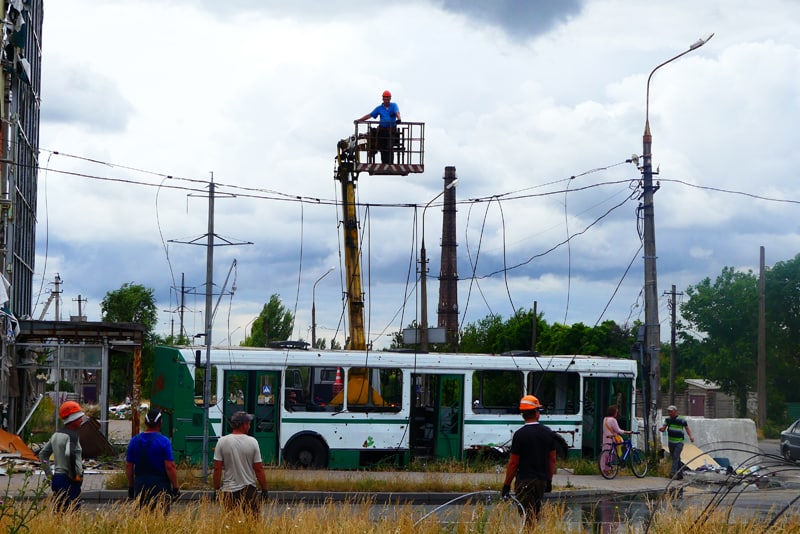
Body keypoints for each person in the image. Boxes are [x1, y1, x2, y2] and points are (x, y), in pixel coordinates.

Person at [501, 395, 557, 526]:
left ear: (523, 415)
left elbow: (513, 463)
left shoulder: (519, 435)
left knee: (527, 518)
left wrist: (506, 485)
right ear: (537, 413)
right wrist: (548, 481)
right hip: (541, 481)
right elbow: (552, 459)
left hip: (524, 481)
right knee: (535, 516)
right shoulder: (548, 433)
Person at [213, 411, 269, 513]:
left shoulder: (222, 441)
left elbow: (217, 468)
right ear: (243, 425)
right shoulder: (252, 442)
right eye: (248, 423)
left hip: (229, 490)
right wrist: (264, 490)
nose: (249, 426)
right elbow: (258, 469)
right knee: (252, 523)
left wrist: (216, 489)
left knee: (230, 523)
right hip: (249, 490)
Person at [125, 408, 180, 512]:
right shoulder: (164, 441)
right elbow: (170, 466)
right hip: (160, 485)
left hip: (140, 484)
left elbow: (129, 466)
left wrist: (131, 486)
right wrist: (176, 487)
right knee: (160, 518)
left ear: (145, 423)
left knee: (141, 518)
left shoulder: (134, 441)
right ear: (160, 423)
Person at [39, 400, 85, 511]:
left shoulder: (56, 435)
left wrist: (50, 475)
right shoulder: (72, 436)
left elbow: (42, 454)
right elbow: (70, 454)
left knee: (59, 512)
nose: (81, 420)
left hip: (57, 478)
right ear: (72, 420)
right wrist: (75, 476)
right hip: (69, 480)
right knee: (72, 514)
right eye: (79, 418)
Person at [357, 90, 401, 164]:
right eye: (385, 98)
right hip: (382, 130)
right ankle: (384, 163)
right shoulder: (379, 108)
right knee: (382, 146)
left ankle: (390, 163)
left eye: (388, 98)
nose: (386, 100)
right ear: (383, 99)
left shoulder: (394, 105)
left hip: (391, 130)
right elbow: (370, 115)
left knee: (389, 146)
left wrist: (399, 119)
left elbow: (397, 113)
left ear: (390, 98)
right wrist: (359, 120)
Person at [659, 405, 694, 480]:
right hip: (671, 442)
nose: (669, 413)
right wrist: (661, 429)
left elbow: (687, 428)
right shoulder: (667, 420)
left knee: (675, 456)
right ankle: (680, 475)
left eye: (671, 411)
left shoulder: (681, 419)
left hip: (679, 442)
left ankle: (673, 473)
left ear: (675, 411)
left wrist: (691, 436)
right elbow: (664, 428)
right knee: (676, 458)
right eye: (668, 411)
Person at [600, 405, 632, 475]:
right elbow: (618, 430)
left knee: (605, 454)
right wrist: (627, 432)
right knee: (613, 453)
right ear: (614, 412)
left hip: (606, 438)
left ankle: (604, 469)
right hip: (612, 439)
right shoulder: (613, 420)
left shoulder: (605, 419)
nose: (617, 413)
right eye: (616, 412)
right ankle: (609, 468)